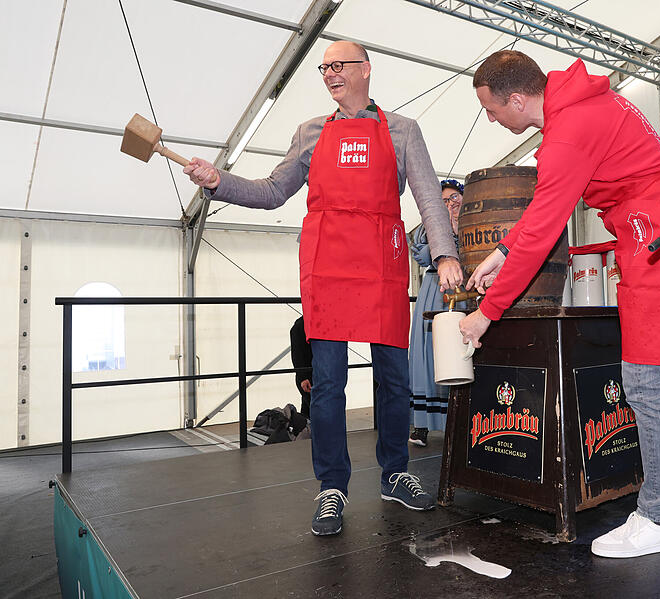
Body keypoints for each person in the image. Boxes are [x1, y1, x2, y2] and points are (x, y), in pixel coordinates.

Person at [183, 40, 463, 536]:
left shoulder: (402, 130)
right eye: (324, 67)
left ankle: (395, 473)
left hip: (380, 265)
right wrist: (217, 180)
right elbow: (272, 191)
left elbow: (428, 197)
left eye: (339, 65)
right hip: (328, 266)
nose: (331, 73)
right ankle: (332, 486)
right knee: (329, 384)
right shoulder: (310, 132)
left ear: (366, 69)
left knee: (395, 379)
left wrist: (444, 255)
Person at [458, 50, 660, 559]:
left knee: (644, 381)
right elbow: (543, 211)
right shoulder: (581, 105)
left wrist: (486, 312)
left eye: (491, 110)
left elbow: (543, 230)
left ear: (516, 99)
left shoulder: (566, 134)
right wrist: (501, 252)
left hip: (654, 235)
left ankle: (658, 516)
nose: (491, 120)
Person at [408, 180, 464, 447]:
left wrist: (457, 230)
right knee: (426, 352)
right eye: (444, 201)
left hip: (463, 289)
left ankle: (458, 422)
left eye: (454, 198)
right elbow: (421, 255)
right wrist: (444, 234)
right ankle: (421, 425)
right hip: (434, 288)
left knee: (459, 352)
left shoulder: (472, 225)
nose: (450, 204)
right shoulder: (426, 228)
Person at [290, 315, 312, 419]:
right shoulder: (299, 326)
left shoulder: (302, 325)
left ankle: (306, 426)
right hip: (308, 375)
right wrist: (303, 377)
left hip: (310, 374)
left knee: (308, 408)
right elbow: (297, 354)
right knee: (312, 407)